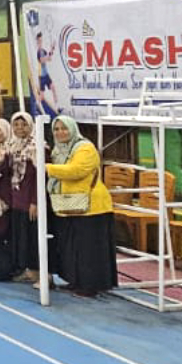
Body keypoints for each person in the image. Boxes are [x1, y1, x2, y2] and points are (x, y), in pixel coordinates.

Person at [46, 115, 116, 297]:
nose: (60, 132)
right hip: (69, 205)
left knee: (88, 250)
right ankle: (76, 280)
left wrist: (46, 168)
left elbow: (76, 171)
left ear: (73, 129)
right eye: (56, 129)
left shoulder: (85, 148)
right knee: (72, 248)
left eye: (64, 128)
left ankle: (90, 286)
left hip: (92, 208)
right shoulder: (58, 151)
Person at [5, 112, 40, 282]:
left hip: (29, 201)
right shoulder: (11, 146)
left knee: (32, 237)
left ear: (31, 126)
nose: (20, 128)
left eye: (24, 124)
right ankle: (23, 268)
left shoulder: (38, 147)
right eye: (16, 125)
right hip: (15, 199)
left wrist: (35, 201)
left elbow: (40, 177)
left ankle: (35, 271)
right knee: (19, 237)